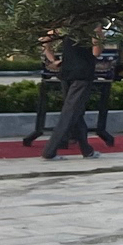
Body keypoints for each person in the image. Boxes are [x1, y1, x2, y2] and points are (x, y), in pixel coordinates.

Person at [41, 31, 99, 160]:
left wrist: (52, 59)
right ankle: (50, 150)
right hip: (83, 73)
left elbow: (46, 39)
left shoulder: (66, 24)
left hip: (66, 71)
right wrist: (99, 39)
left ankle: (86, 150)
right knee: (70, 112)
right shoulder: (93, 25)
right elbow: (96, 52)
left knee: (75, 111)